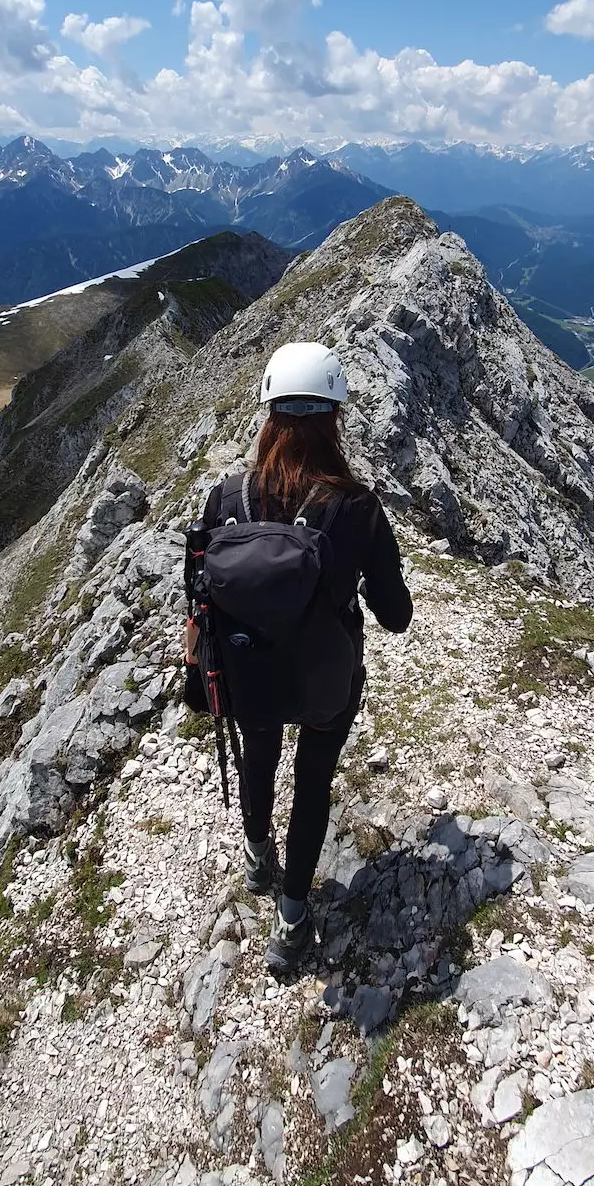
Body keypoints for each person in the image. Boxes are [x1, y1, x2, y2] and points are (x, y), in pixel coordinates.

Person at [200, 341, 413, 975]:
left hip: (250, 674)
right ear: (334, 419)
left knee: (259, 752)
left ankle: (259, 856)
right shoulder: (359, 507)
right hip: (324, 677)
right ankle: (292, 919)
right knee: (313, 779)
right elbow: (395, 617)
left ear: (267, 417)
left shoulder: (226, 498)